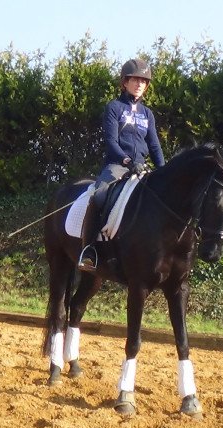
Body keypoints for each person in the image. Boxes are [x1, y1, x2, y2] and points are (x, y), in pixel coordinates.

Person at [78, 58, 165, 273]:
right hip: (118, 165)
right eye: (135, 80)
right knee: (98, 196)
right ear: (125, 82)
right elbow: (111, 141)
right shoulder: (114, 107)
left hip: (142, 168)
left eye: (144, 81)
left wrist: (162, 170)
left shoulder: (147, 114)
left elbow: (154, 145)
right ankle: (89, 250)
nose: (139, 85)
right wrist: (127, 161)